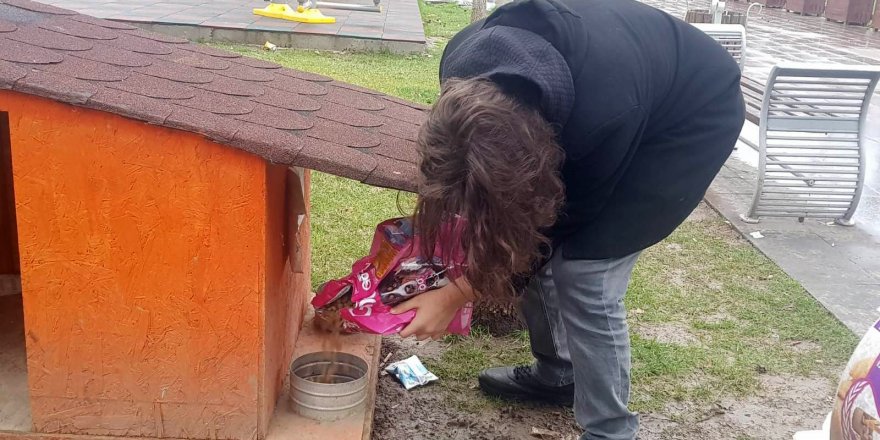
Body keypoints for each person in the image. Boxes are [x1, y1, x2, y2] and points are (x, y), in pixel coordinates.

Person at [389, 0, 745, 438]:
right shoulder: (464, 59)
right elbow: (477, 182)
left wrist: (456, 294)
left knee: (585, 274)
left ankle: (609, 430)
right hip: (613, 87)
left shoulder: (602, 115)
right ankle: (558, 373)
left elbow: (558, 226)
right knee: (535, 253)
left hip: (687, 117)